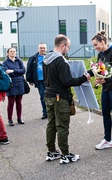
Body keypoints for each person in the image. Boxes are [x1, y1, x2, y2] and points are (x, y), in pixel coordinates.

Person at [43, 34, 90, 164]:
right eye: (68, 47)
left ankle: (51, 152)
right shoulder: (60, 60)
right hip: (59, 97)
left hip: (48, 95)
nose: (68, 49)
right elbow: (67, 81)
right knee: (62, 126)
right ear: (62, 45)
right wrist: (84, 78)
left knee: (51, 124)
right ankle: (65, 155)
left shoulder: (46, 58)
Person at [2, 47, 26, 126]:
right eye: (11, 51)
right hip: (11, 83)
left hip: (20, 83)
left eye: (14, 51)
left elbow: (23, 70)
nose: (13, 53)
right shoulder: (5, 62)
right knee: (11, 102)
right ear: (8, 53)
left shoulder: (19, 61)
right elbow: (5, 72)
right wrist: (17, 72)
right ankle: (10, 119)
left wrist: (13, 71)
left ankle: (19, 118)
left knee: (19, 102)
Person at [26, 43, 48, 119]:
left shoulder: (49, 57)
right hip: (40, 81)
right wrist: (30, 79)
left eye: (43, 48)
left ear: (46, 49)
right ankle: (45, 112)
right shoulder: (33, 58)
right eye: (41, 48)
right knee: (43, 96)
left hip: (49, 80)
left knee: (50, 96)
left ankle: (51, 112)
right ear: (38, 49)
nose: (42, 49)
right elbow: (29, 69)